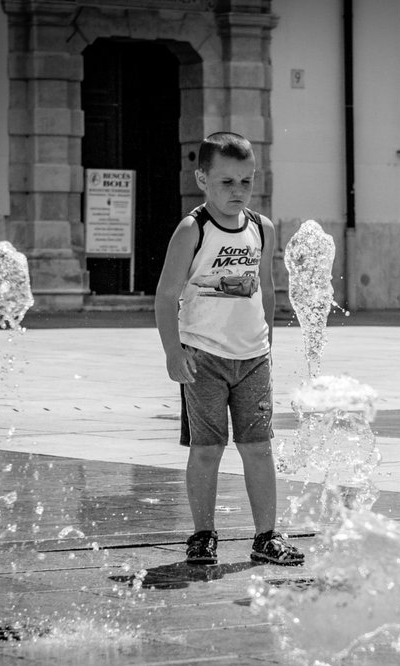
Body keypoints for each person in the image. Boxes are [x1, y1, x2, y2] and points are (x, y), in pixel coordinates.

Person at [155, 131, 304, 566]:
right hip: (203, 357)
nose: (237, 191)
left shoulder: (262, 228)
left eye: (246, 181)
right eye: (226, 182)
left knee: (258, 447)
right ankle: (203, 535)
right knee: (207, 448)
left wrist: (268, 345)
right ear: (202, 179)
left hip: (252, 358)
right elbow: (166, 295)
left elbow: (268, 291)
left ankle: (266, 537)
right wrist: (172, 352)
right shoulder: (193, 229)